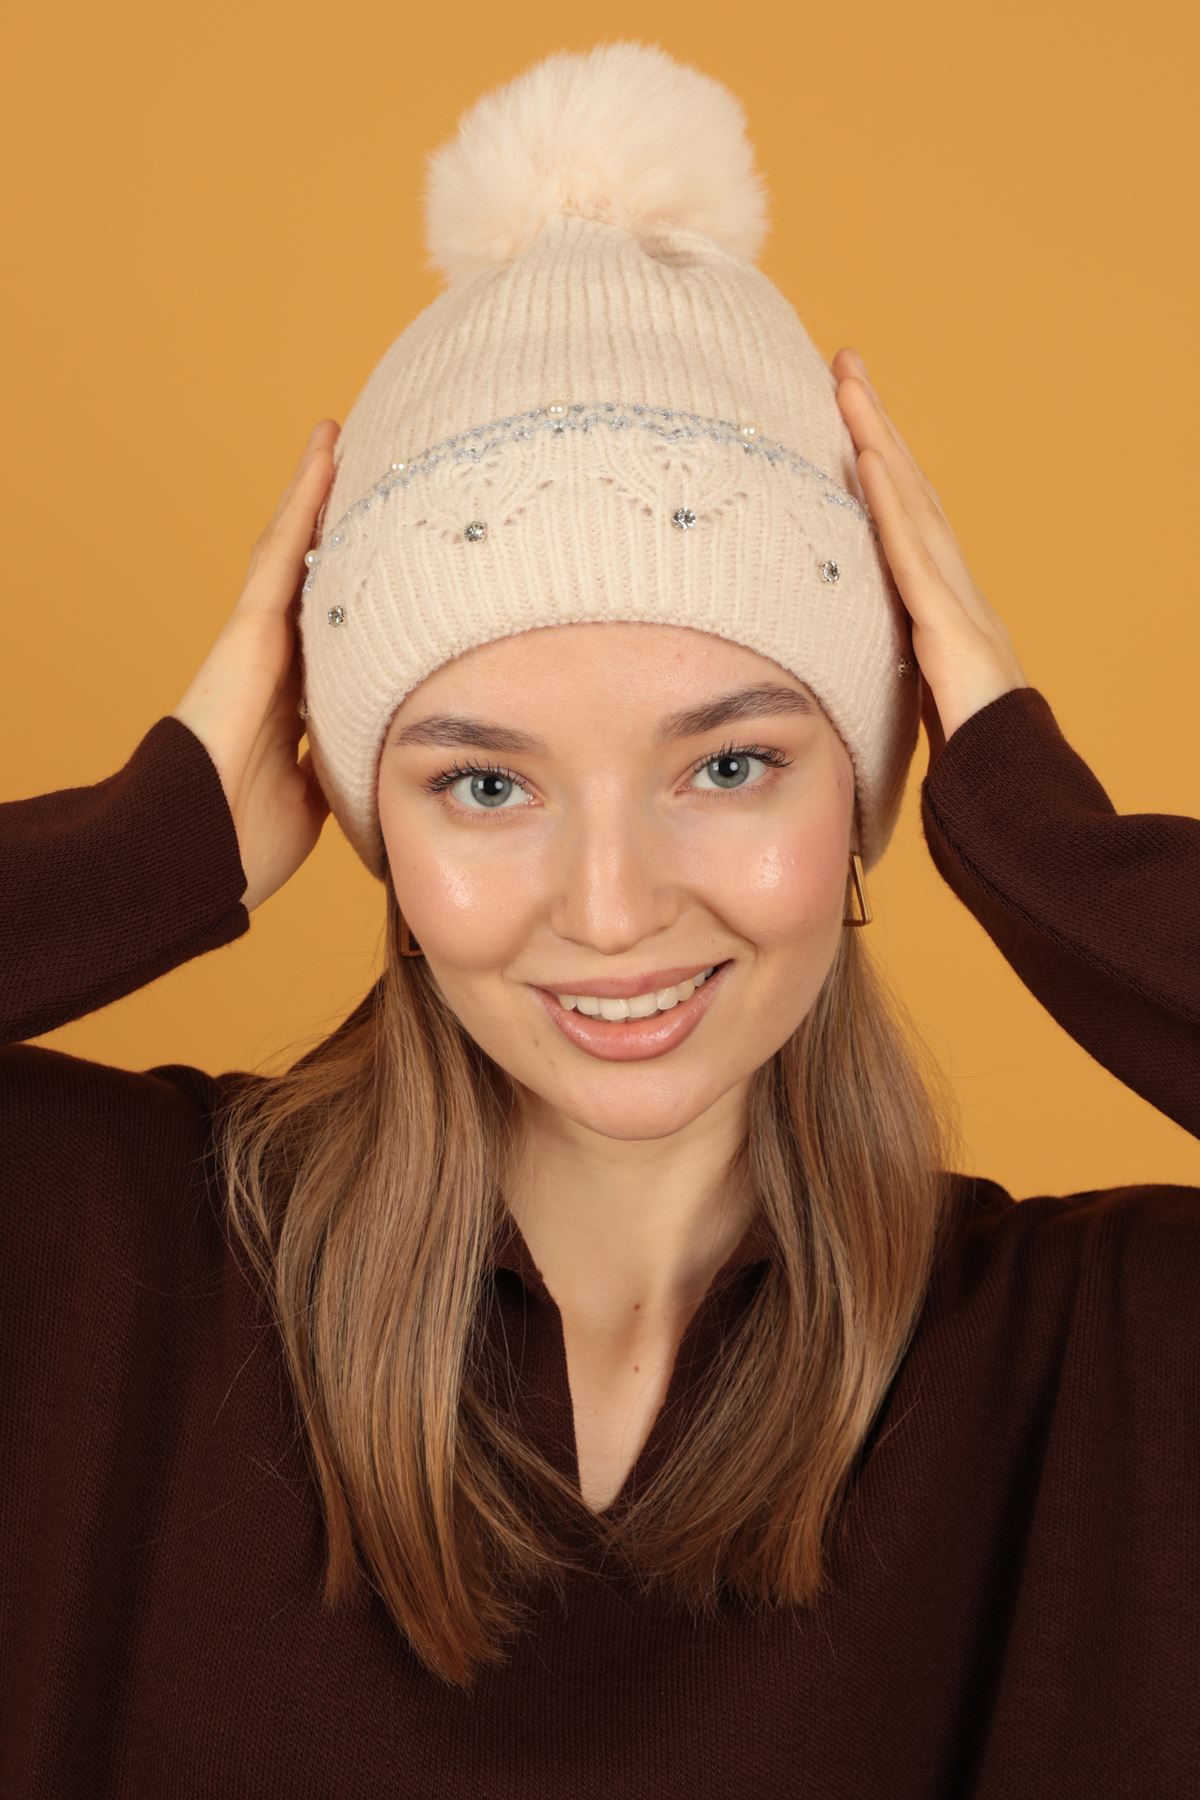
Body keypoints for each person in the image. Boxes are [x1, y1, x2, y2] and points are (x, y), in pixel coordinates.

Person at [3, 41, 1197, 1800]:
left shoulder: (1103, 1364)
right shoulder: (93, 1268)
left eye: (730, 766)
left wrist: (1051, 843)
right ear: (364, 821)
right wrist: (145, 845)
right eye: (486, 784)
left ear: (867, 784)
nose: (615, 907)